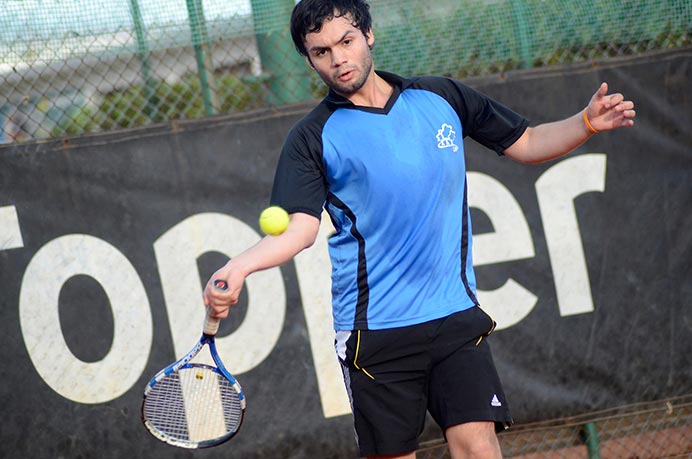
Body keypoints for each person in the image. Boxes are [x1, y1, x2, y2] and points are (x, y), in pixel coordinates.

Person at [204, 1, 636, 458]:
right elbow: (298, 230)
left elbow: (527, 142)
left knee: (478, 447)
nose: (338, 59)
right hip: (375, 332)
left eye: (346, 42)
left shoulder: (440, 97)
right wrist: (240, 266)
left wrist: (586, 122)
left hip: (453, 316)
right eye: (321, 52)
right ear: (309, 59)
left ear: (368, 34)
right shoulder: (313, 137)